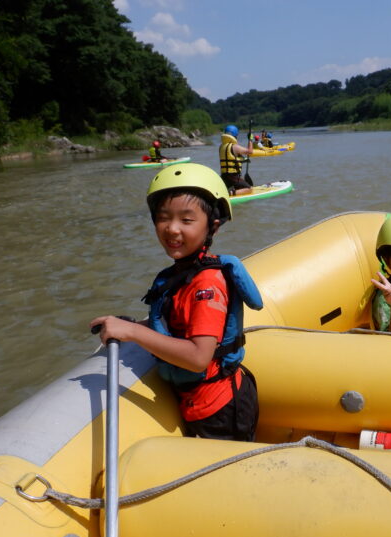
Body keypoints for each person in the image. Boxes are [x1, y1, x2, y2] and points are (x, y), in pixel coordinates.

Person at [90, 163, 263, 441]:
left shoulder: (206, 284)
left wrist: (134, 333)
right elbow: (177, 321)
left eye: (186, 220)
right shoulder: (180, 275)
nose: (171, 229)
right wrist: (135, 326)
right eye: (163, 217)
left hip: (220, 409)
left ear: (213, 226)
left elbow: (198, 358)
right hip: (202, 402)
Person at [219, 124, 253, 196]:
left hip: (224, 177)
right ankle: (231, 193)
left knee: (237, 185)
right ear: (235, 135)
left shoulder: (221, 147)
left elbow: (231, 159)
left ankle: (231, 190)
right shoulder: (234, 146)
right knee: (249, 189)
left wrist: (243, 160)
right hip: (233, 177)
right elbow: (250, 151)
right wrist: (250, 139)